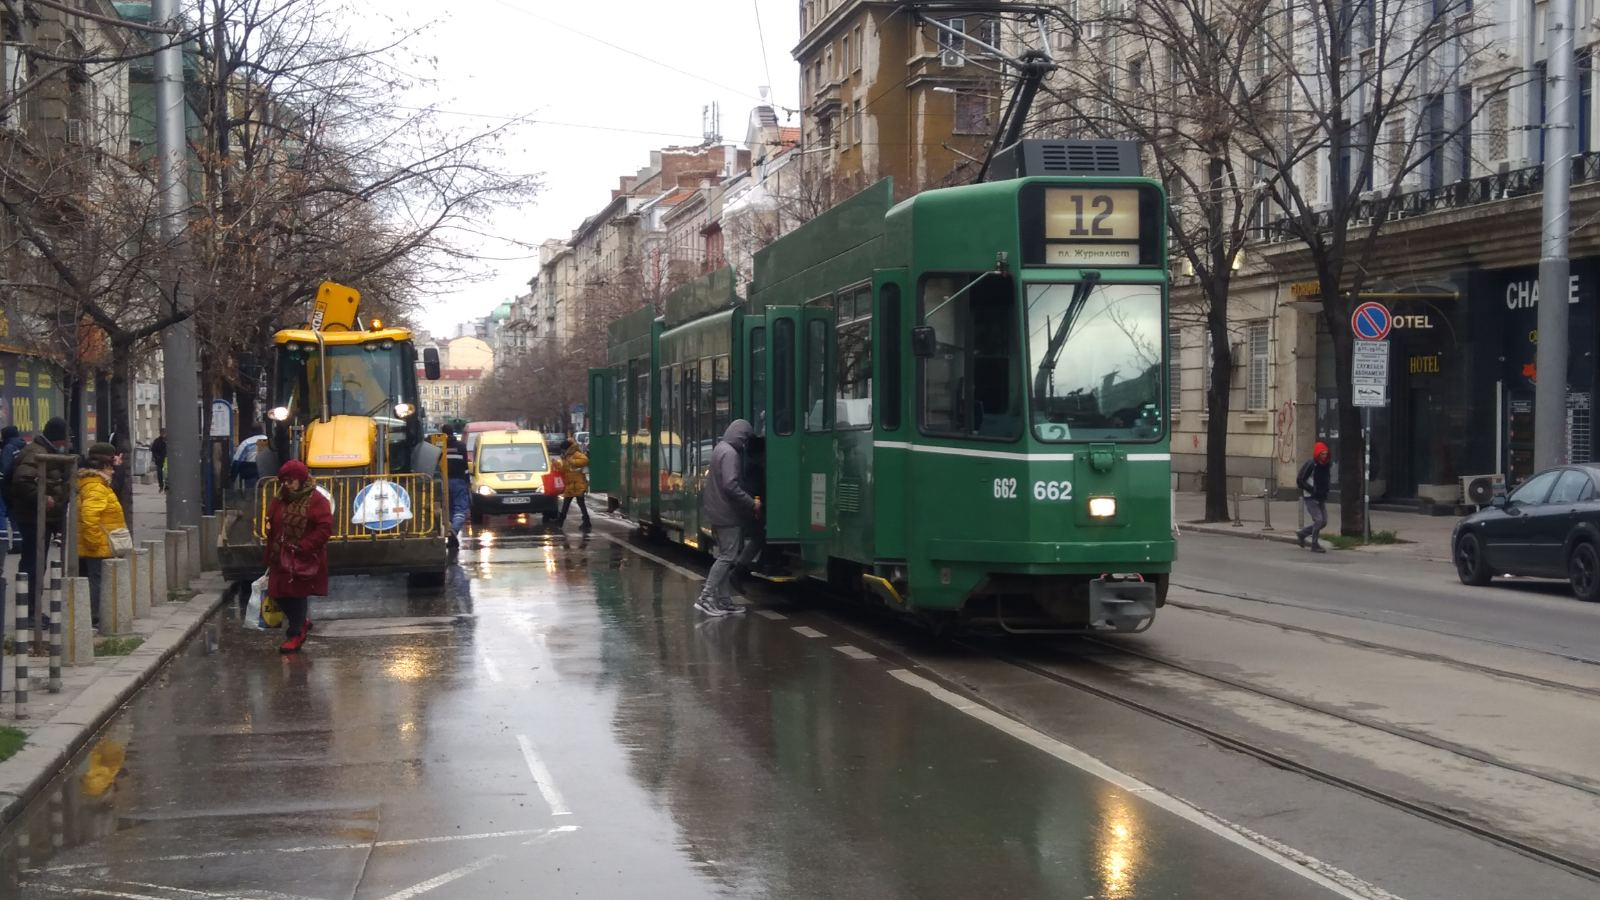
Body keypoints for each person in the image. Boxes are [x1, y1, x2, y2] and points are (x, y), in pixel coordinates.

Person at [9, 417, 72, 636]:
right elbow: (21, 482)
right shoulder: (35, 453)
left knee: (38, 565)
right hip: (33, 518)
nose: (66, 443)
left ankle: (33, 612)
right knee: (33, 565)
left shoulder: (48, 451)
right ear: (58, 437)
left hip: (44, 519)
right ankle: (29, 614)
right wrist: (43, 499)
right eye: (65, 438)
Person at [264, 459, 333, 653]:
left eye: (291, 481)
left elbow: (324, 528)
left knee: (296, 594)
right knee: (276, 593)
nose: (287, 485)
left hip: (302, 557)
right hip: (280, 555)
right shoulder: (280, 497)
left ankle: (296, 633)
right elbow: (271, 520)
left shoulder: (317, 500)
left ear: (302, 480)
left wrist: (303, 546)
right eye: (284, 481)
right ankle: (301, 620)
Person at [695, 419, 759, 617]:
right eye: (746, 439)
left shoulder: (719, 449)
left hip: (715, 511)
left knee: (723, 555)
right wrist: (751, 503)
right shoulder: (731, 454)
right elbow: (730, 486)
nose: (746, 444)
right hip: (726, 513)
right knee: (727, 557)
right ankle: (705, 597)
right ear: (741, 437)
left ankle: (724, 601)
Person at [77, 443, 128, 633]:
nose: (114, 471)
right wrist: (95, 542)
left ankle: (95, 616)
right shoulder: (96, 487)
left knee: (95, 579)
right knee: (96, 581)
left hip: (97, 544)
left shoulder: (95, 484)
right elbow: (89, 517)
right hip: (96, 546)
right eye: (111, 467)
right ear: (105, 467)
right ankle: (95, 618)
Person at [1296, 441, 1333, 553]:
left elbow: (1325, 479)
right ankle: (1314, 544)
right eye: (1322, 454)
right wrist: (1311, 489)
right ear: (1317, 454)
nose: (1324, 456)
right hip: (1311, 496)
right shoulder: (1311, 464)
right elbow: (1300, 480)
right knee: (1318, 520)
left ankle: (1303, 534)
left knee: (1324, 521)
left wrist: (1325, 490)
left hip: (1321, 496)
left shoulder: (1326, 464)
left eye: (1325, 453)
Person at [442, 423, 469, 547]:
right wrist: (468, 481)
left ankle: (452, 531)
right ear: (453, 432)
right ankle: (454, 529)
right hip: (458, 481)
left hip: (443, 482)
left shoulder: (438, 446)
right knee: (460, 508)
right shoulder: (461, 446)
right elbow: (465, 467)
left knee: (449, 508)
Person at [557, 439, 592, 530]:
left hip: (578, 484)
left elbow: (585, 460)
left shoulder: (575, 454)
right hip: (570, 484)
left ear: (566, 448)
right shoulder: (565, 456)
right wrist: (556, 465)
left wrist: (571, 461)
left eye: (563, 449)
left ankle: (561, 522)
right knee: (567, 504)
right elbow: (564, 469)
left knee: (579, 503)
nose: (562, 451)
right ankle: (586, 521)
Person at [0, 424, 23, 550]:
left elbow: (5, 468)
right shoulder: (22, 445)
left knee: (1, 512)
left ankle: (2, 542)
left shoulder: (8, 448)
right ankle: (18, 543)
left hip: (7, 485)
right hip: (19, 485)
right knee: (14, 514)